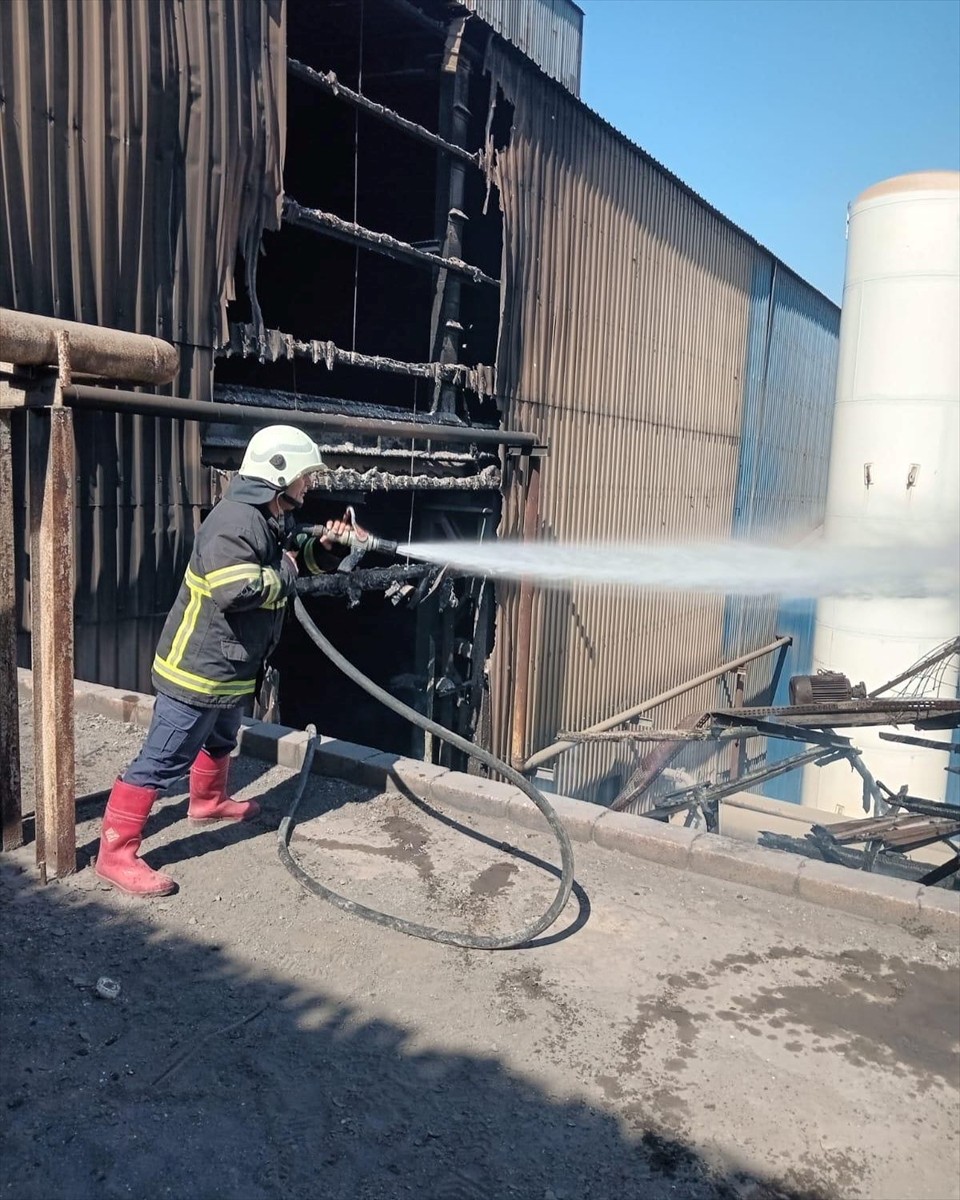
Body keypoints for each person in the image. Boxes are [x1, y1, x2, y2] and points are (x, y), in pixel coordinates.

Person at [95, 424, 355, 897]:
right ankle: (114, 854)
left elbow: (289, 560)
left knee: (221, 736)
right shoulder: (235, 522)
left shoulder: (268, 515)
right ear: (279, 475)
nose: (310, 484)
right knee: (163, 758)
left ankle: (208, 801)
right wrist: (288, 569)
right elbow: (236, 590)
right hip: (197, 669)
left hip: (232, 665)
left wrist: (326, 549)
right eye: (305, 475)